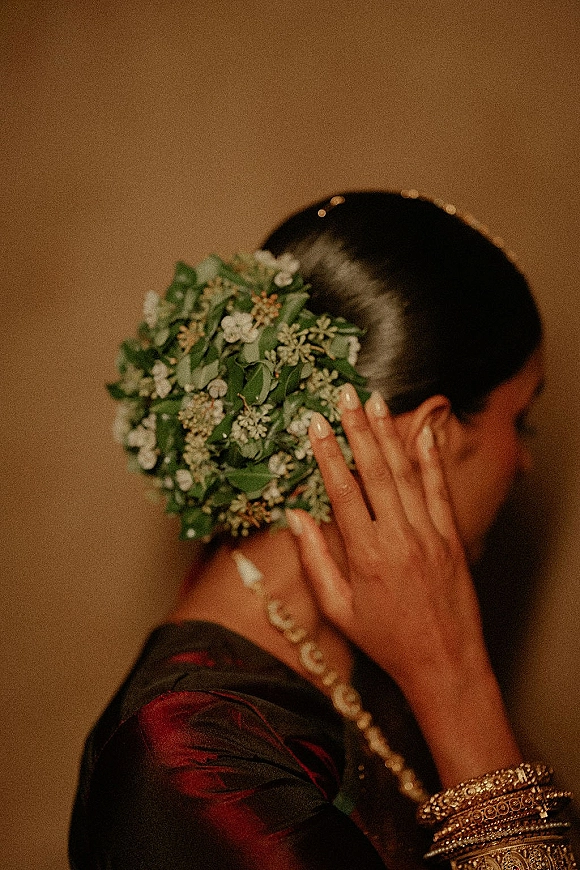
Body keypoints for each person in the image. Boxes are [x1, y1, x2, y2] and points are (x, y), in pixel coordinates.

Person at [69, 191, 574, 870]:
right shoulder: (190, 763)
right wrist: (456, 683)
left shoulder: (376, 632)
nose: (525, 463)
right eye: (522, 420)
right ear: (430, 435)